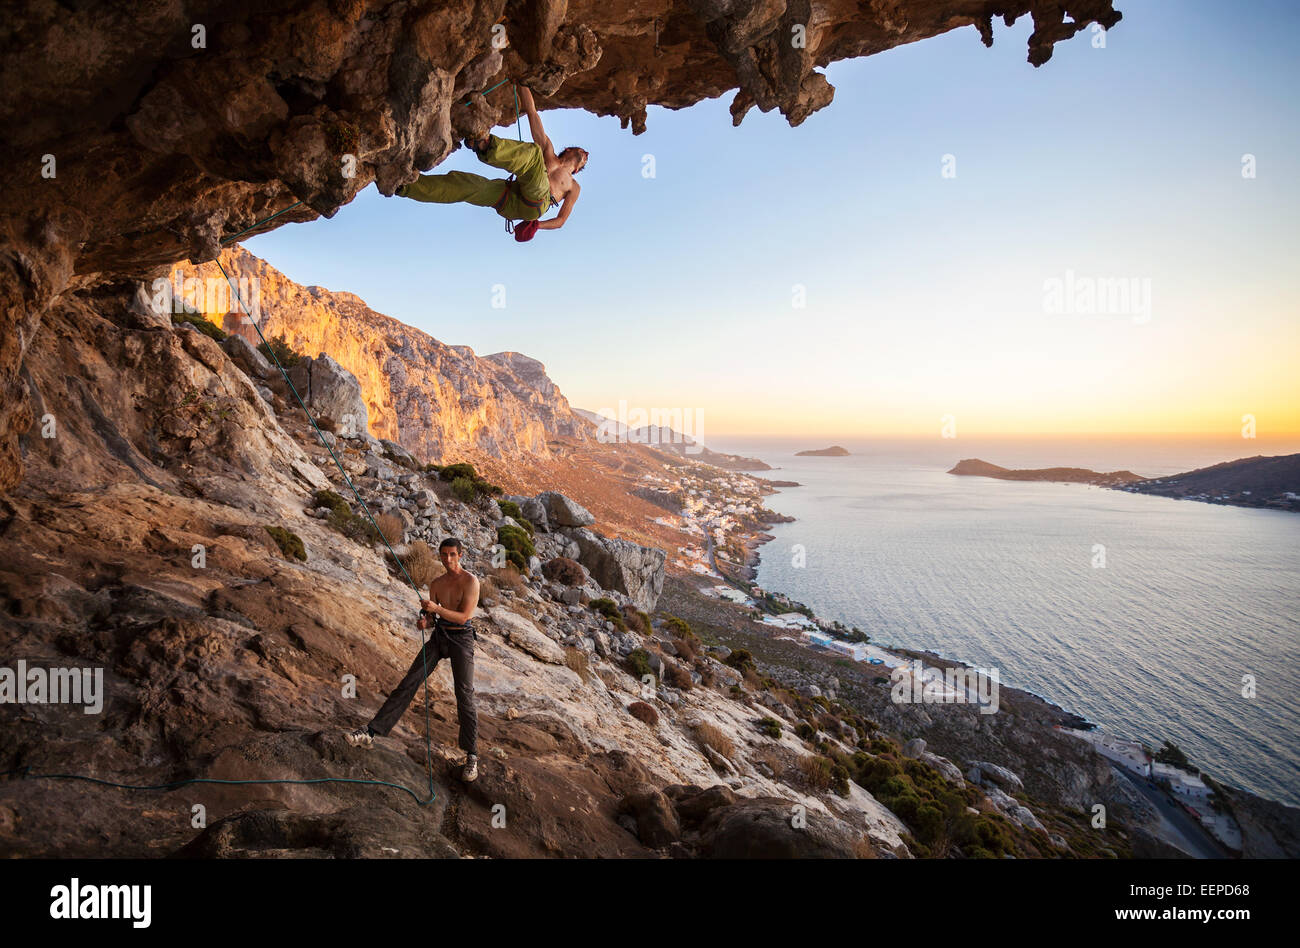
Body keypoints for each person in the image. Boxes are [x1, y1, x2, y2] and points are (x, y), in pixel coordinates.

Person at [346, 537, 482, 782]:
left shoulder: (471, 582)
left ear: (461, 555)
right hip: (440, 636)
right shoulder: (437, 583)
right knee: (410, 681)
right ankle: (371, 732)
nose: (447, 559)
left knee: (464, 693)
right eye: (443, 555)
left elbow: (463, 617)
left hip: (462, 639)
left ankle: (471, 755)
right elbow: (432, 618)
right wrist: (425, 622)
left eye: (452, 554)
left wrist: (436, 610)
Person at [394, 85, 586, 233]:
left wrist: (537, 226)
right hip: (510, 198)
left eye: (585, 159)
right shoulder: (548, 152)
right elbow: (532, 114)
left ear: (578, 169)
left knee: (534, 155)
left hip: (535, 205)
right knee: (467, 186)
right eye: (583, 151)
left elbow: (561, 221)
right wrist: (521, 84)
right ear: (569, 149)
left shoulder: (574, 186)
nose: (586, 155)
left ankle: (486, 145)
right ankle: (402, 185)